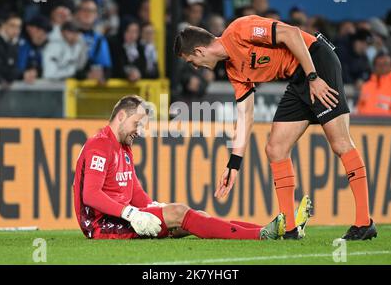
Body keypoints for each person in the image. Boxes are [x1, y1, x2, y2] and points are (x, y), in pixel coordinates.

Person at [174, 15, 378, 241]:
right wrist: (234, 164)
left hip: (316, 63)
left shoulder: (239, 30)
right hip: (298, 79)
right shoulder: (233, 70)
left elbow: (291, 33)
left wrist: (313, 77)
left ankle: (363, 223)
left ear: (200, 51)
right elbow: (245, 115)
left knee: (340, 143)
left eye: (191, 61)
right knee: (275, 149)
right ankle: (290, 229)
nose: (194, 67)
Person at [73, 95, 311, 240]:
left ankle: (274, 228)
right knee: (180, 213)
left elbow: (134, 190)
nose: (139, 130)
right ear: (121, 116)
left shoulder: (123, 146)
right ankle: (262, 234)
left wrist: (152, 207)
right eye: (137, 123)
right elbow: (91, 195)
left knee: (198, 217)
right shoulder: (100, 145)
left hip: (125, 217)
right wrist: (131, 214)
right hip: (102, 224)